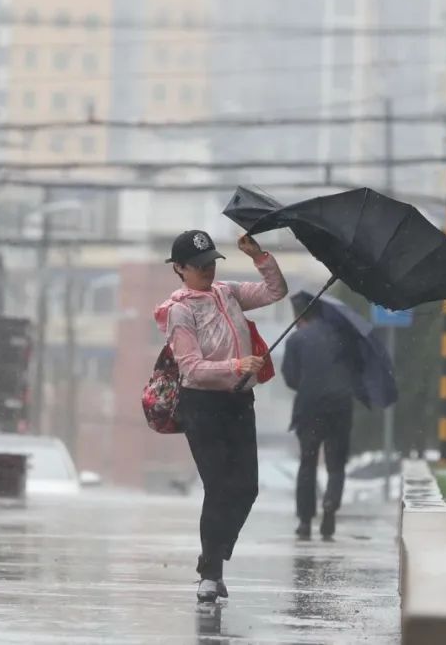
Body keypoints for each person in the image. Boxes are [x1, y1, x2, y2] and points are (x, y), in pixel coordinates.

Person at [154, 229, 288, 604]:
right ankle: (210, 575)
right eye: (198, 266)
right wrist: (237, 363)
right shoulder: (180, 309)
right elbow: (192, 369)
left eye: (211, 262)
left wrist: (259, 257)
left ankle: (212, 557)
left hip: (239, 403)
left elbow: (275, 292)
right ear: (179, 268)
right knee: (219, 488)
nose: (207, 270)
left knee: (247, 487)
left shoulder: (227, 293)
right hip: (203, 406)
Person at [281, 302, 359, 541]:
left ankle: (305, 521)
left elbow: (291, 378)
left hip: (309, 407)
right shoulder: (344, 337)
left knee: (308, 462)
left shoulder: (296, 340)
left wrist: (309, 386)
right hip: (340, 406)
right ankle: (330, 503)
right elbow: (356, 370)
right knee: (336, 463)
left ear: (299, 316)